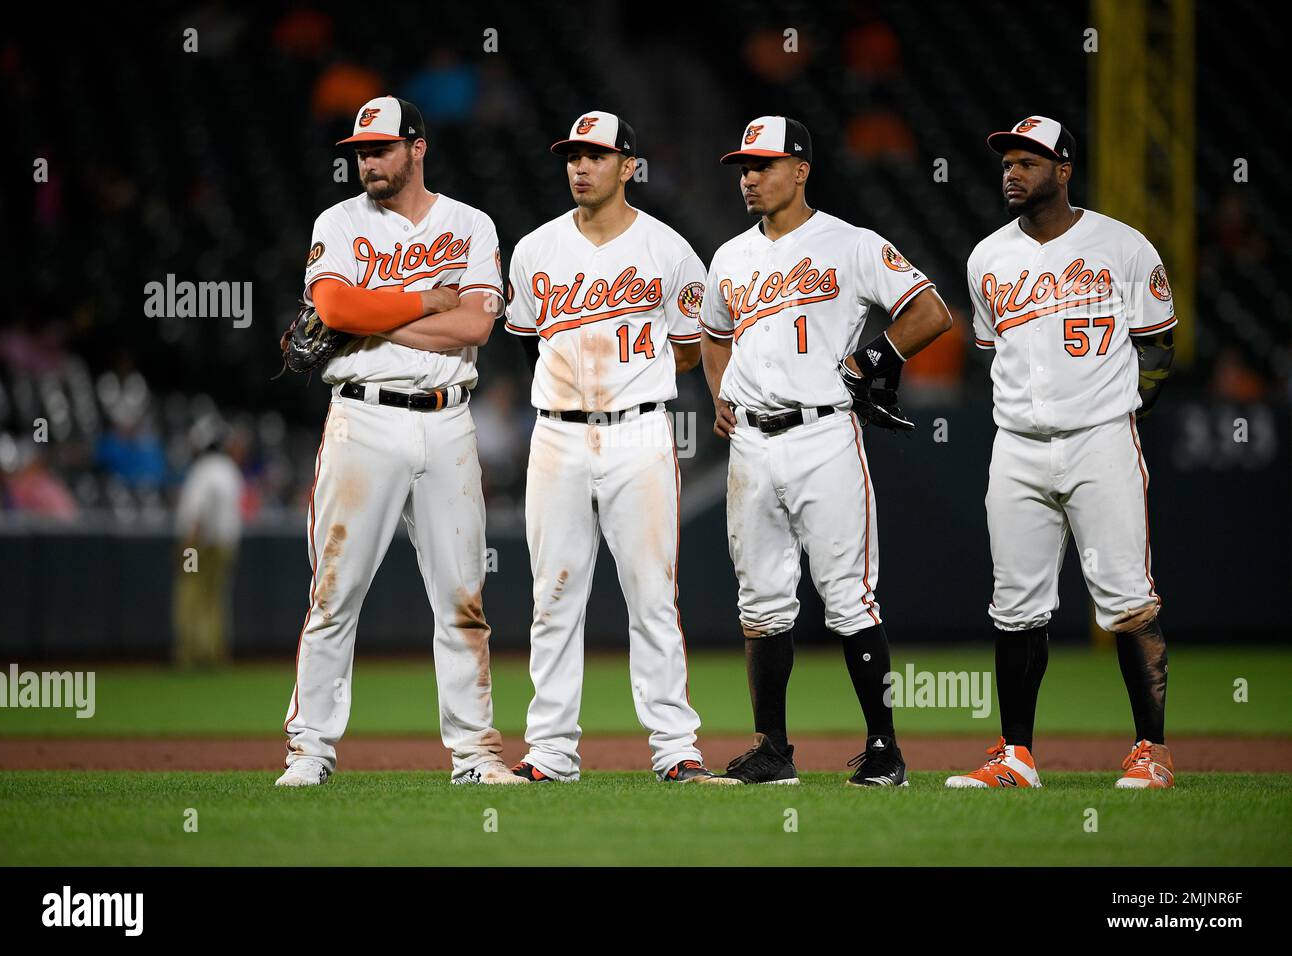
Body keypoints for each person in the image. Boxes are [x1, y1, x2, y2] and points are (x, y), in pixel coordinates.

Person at [700, 116, 952, 786]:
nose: (749, 178)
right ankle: (772, 751)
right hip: (750, 442)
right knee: (761, 602)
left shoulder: (850, 243)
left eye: (763, 165)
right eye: (743, 168)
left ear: (801, 169)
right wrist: (720, 392)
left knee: (848, 597)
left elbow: (930, 311)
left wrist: (871, 359)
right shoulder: (729, 256)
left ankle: (884, 750)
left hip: (823, 434)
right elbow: (712, 333)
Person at [278, 96, 521, 787]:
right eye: (360, 151)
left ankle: (475, 754)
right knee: (334, 592)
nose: (367, 161)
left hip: (449, 421)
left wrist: (377, 319)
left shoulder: (471, 225)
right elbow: (333, 309)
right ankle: (309, 752)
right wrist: (425, 301)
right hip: (363, 418)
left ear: (417, 148)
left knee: (463, 598)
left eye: (381, 148)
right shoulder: (341, 220)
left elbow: (475, 328)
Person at [947, 116, 1176, 790]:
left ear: (1065, 169)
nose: (1013, 172)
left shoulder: (1123, 246)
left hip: (1100, 441)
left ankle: (1151, 751)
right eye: (1008, 162)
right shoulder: (987, 257)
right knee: (1015, 604)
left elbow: (1158, 345)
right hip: (1015, 446)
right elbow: (994, 354)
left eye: (1030, 161)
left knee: (1128, 600)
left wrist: (1119, 410)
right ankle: (1014, 755)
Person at [503, 111, 722, 783]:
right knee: (554, 595)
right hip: (557, 433)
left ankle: (675, 750)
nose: (580, 165)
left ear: (629, 166)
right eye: (573, 154)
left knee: (652, 593)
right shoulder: (535, 248)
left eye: (596, 155)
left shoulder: (668, 248)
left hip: (640, 432)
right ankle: (550, 754)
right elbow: (525, 335)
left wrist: (640, 372)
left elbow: (692, 344)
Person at [172, 419, 245, 667]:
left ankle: (191, 654)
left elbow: (198, 511)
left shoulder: (203, 469)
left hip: (199, 545)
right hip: (225, 546)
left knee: (191, 594)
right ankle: (215, 652)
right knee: (216, 598)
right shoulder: (230, 470)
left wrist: (188, 548)